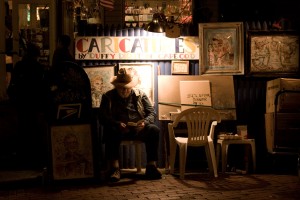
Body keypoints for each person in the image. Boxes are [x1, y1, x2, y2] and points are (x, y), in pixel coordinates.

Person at [99, 68, 162, 182]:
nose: (124, 91)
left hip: (138, 129)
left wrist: (145, 122)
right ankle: (115, 168)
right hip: (118, 130)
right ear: (116, 86)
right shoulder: (107, 96)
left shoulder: (140, 94)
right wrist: (117, 123)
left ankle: (151, 166)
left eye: (127, 88)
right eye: (121, 88)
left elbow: (151, 113)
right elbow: (103, 117)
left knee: (154, 129)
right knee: (110, 130)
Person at [7, 43, 48, 168]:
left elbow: (13, 85)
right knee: (35, 130)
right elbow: (43, 87)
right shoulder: (38, 68)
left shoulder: (19, 66)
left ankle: (23, 157)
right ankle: (35, 158)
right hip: (34, 103)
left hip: (22, 103)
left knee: (23, 129)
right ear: (36, 55)